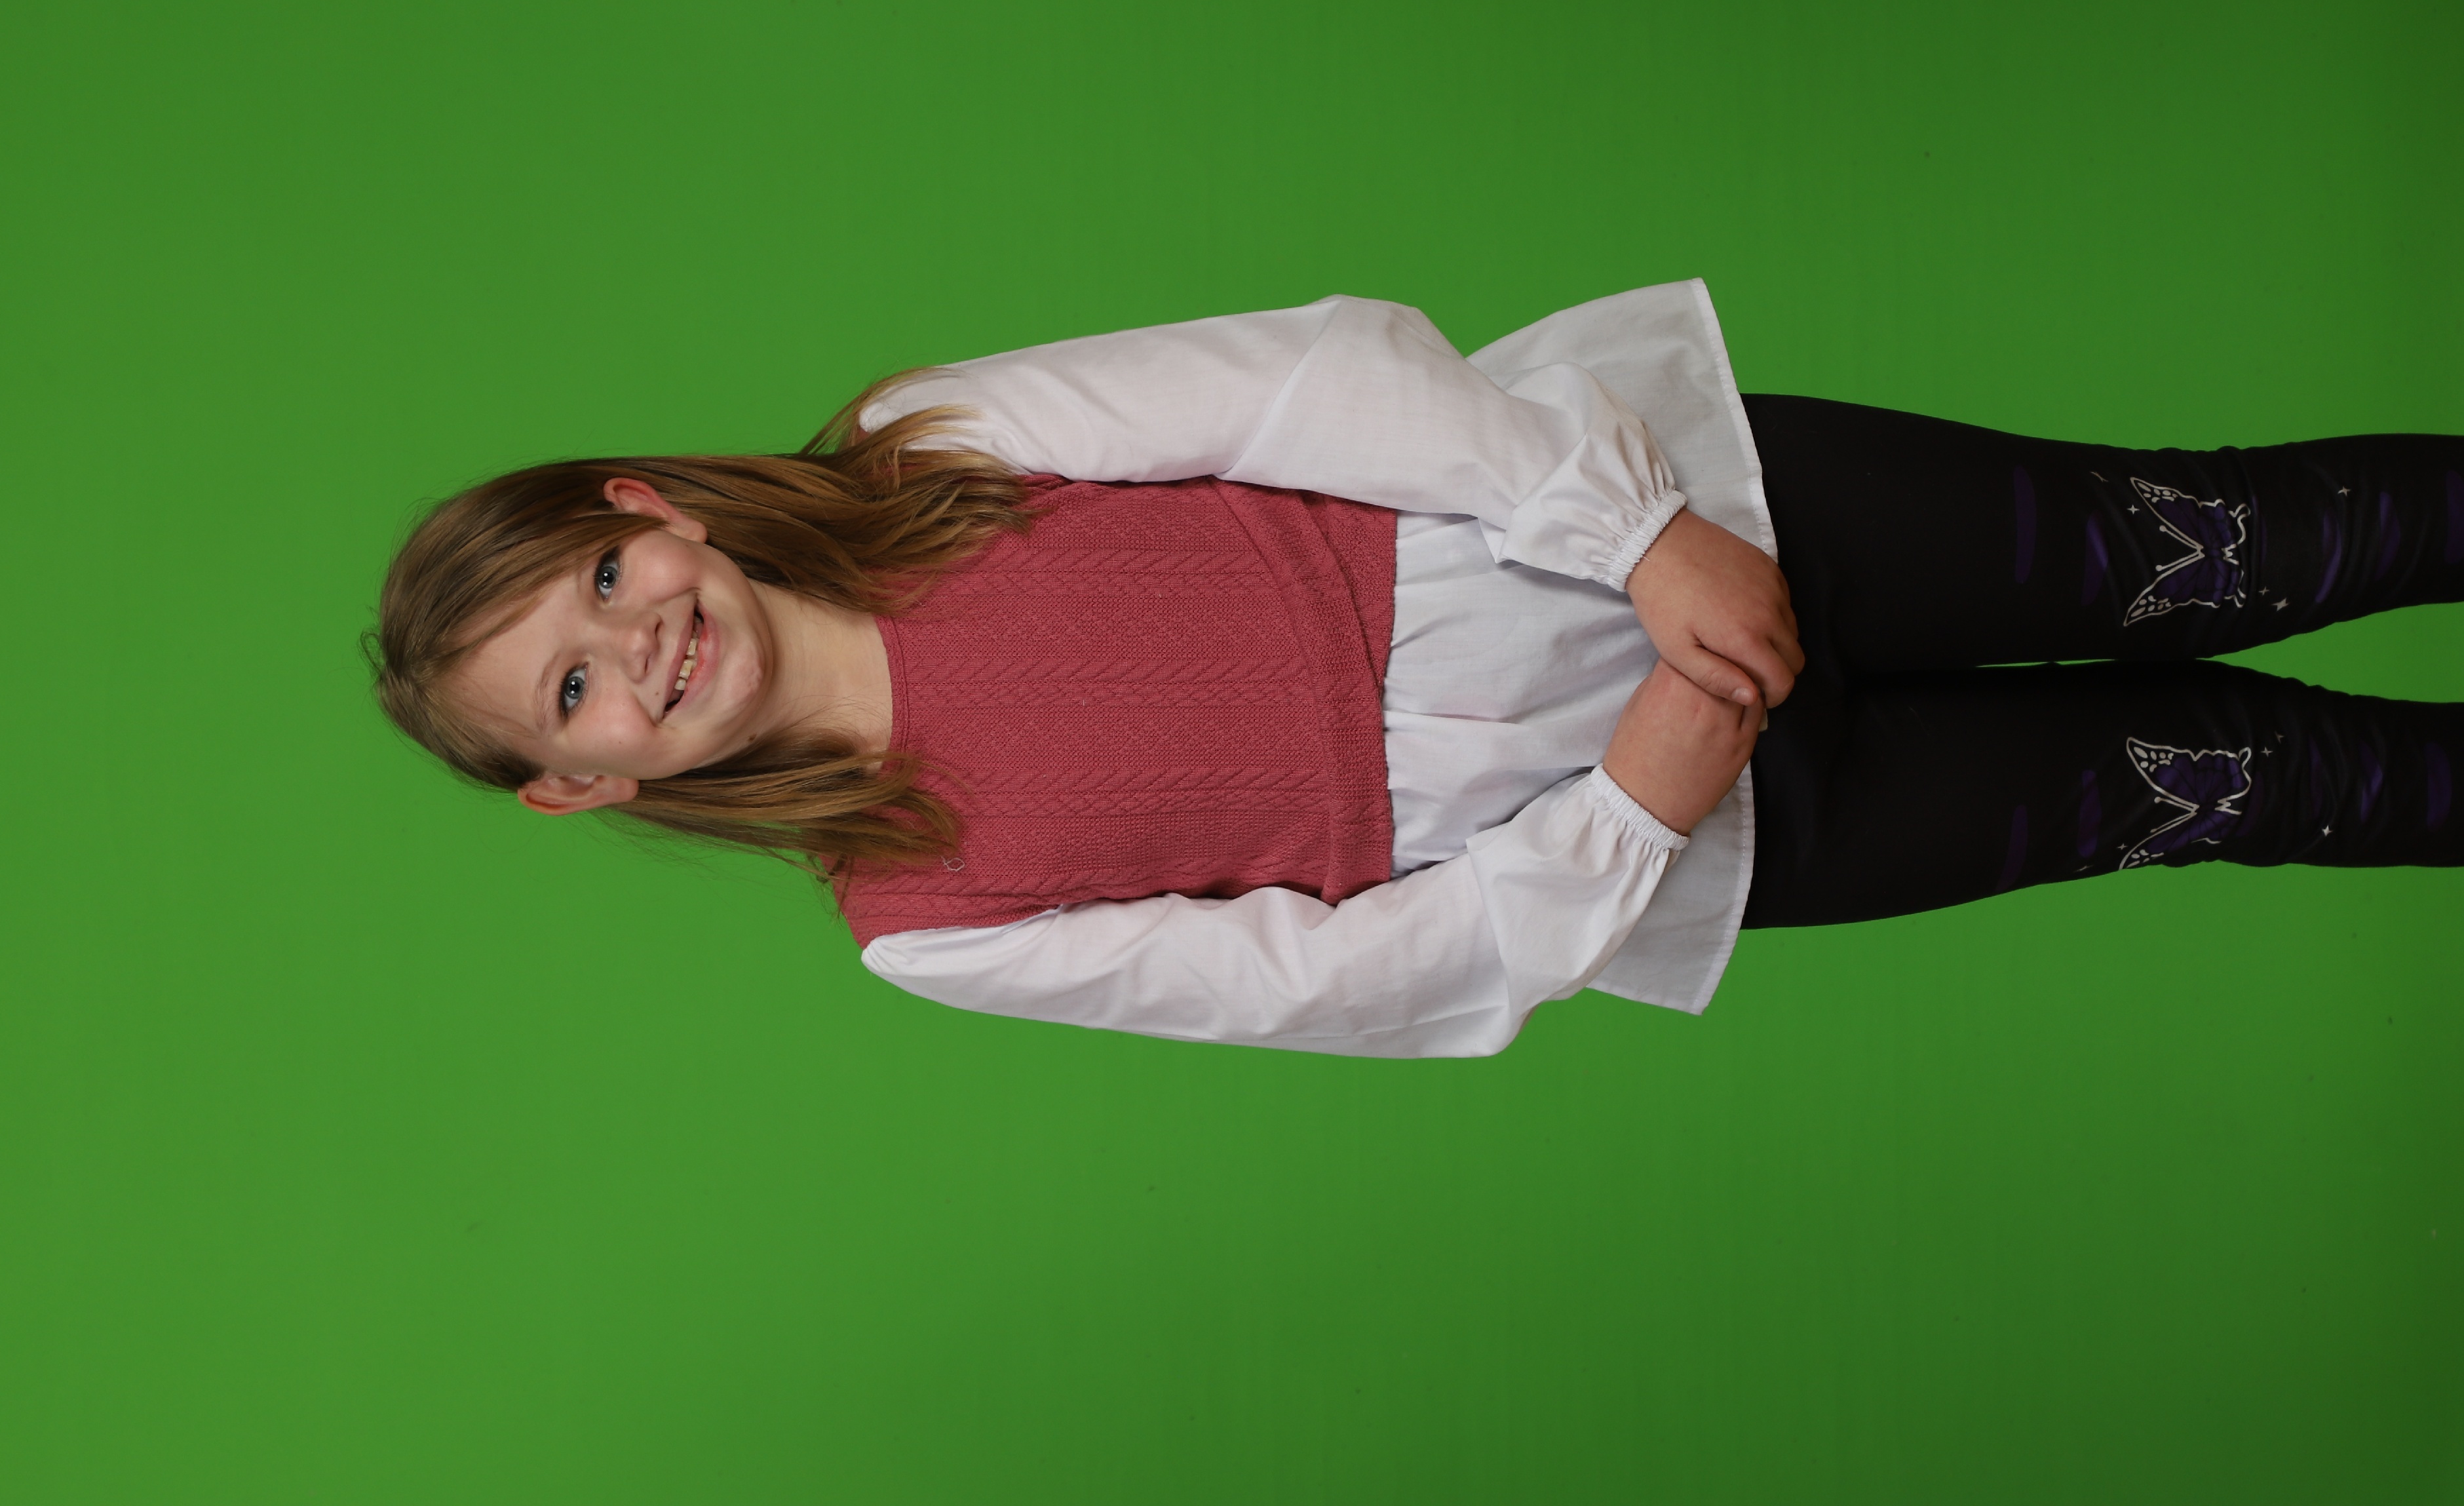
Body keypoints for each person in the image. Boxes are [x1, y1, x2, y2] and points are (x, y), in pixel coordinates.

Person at [369, 282, 2464, 1058]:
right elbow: (1336, 984)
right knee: (2232, 784)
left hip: (1697, 518)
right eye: (573, 694)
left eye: (603, 580)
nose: (636, 647)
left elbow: (1315, 380)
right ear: (585, 786)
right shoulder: (925, 921)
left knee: (2232, 545)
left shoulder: (935, 450)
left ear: (650, 505)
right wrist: (1639, 794)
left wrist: (1640, 538)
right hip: (1676, 817)